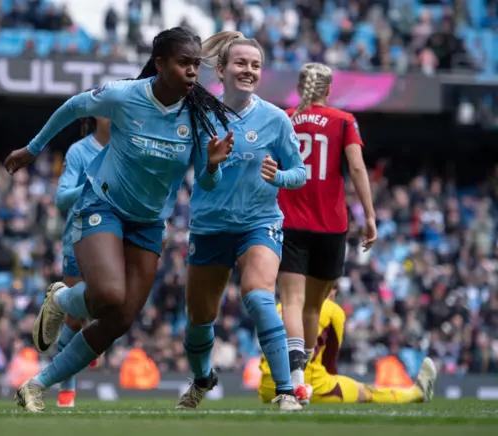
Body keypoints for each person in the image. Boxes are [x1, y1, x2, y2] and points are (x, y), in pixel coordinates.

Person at [4, 26, 236, 413]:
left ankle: (36, 385)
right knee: (109, 295)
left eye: (196, 64)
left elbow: (207, 185)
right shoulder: (127, 95)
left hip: (148, 223)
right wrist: (32, 149)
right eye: (184, 63)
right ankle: (61, 298)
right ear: (160, 64)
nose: (193, 72)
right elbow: (73, 107)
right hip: (103, 205)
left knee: (121, 318)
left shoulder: (197, 116)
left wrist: (211, 167)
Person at [177, 31, 306, 412]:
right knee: (199, 322)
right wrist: (213, 166)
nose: (248, 70)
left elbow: (300, 172)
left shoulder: (275, 119)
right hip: (210, 226)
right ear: (222, 69)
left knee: (259, 296)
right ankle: (202, 380)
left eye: (255, 65)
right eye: (241, 63)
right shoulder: (202, 116)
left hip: (259, 222)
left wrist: (278, 177)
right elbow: (202, 180)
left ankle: (285, 392)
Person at [277, 62, 377, 404]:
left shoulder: (283, 118)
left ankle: (295, 381)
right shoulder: (344, 120)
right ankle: (305, 381)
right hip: (330, 225)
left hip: (289, 221)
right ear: (329, 90)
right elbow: (357, 167)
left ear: (299, 86)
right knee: (312, 307)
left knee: (290, 300)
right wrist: (370, 217)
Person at [258, 289, 437, 404]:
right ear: (332, 290)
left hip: (268, 388)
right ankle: (416, 393)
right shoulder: (332, 309)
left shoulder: (283, 306)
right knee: (367, 393)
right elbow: (330, 362)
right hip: (309, 386)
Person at [53, 115, 110, 407]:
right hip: (78, 241)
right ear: (95, 118)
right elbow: (62, 199)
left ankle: (88, 339)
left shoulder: (130, 149)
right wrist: (90, 186)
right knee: (75, 320)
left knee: (111, 305)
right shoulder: (79, 152)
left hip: (115, 243)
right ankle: (67, 389)